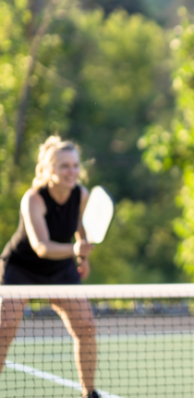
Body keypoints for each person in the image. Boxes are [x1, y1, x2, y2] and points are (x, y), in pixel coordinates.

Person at [0, 136, 98, 398]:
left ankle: (89, 393)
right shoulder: (33, 199)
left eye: (75, 166)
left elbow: (80, 227)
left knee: (87, 327)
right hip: (21, 269)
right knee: (4, 329)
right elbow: (41, 246)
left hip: (61, 269)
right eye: (65, 166)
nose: (72, 171)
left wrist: (83, 258)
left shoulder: (82, 194)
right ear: (49, 169)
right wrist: (76, 251)